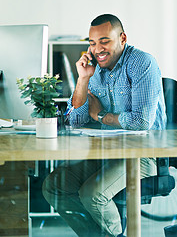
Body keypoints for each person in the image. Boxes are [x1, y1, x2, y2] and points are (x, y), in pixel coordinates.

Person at [42, 14, 167, 237]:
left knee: (93, 195)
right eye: (92, 43)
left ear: (122, 38)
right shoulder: (94, 70)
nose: (98, 49)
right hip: (107, 153)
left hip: (143, 154)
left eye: (104, 41)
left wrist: (101, 116)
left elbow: (141, 121)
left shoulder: (142, 63)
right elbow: (74, 120)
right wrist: (83, 79)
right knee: (54, 185)